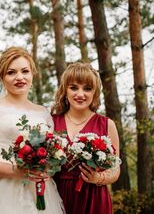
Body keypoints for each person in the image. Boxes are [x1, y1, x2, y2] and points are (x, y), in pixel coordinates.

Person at [0, 47, 65, 214]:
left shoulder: (44, 113)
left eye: (25, 71)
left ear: (32, 73)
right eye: (11, 72)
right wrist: (17, 171)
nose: (19, 77)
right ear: (2, 77)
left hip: (39, 192)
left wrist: (47, 168)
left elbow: (53, 155)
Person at [51, 62, 120, 214]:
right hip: (57, 197)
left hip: (93, 198)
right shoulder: (51, 122)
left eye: (87, 88)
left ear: (95, 92)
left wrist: (98, 178)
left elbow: (115, 169)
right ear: (65, 90)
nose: (80, 94)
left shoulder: (107, 124)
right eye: (74, 87)